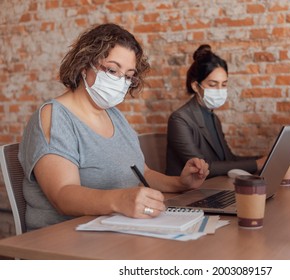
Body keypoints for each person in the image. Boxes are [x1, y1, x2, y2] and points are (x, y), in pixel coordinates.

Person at [18, 23, 209, 231]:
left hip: (113, 232)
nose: (120, 81)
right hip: (62, 240)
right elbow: (62, 195)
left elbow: (141, 173)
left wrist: (180, 184)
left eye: (128, 76)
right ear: (84, 64)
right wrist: (120, 200)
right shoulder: (54, 115)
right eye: (112, 70)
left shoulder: (115, 116)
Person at [166, 44, 265, 178]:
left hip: (213, 188)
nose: (219, 90)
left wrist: (264, 159)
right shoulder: (179, 119)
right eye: (213, 84)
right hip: (187, 193)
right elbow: (203, 167)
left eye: (224, 85)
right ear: (196, 86)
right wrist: (256, 164)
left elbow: (229, 159)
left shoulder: (213, 118)